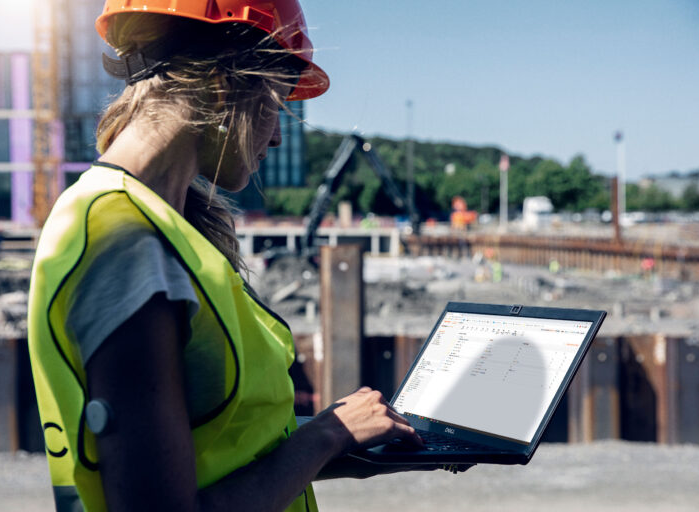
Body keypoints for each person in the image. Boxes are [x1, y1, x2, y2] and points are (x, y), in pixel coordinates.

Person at [27, 1, 426, 511]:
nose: (279, 135)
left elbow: (217, 452)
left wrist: (351, 443)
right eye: (278, 104)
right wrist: (322, 437)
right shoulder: (124, 238)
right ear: (224, 84)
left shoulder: (151, 223)